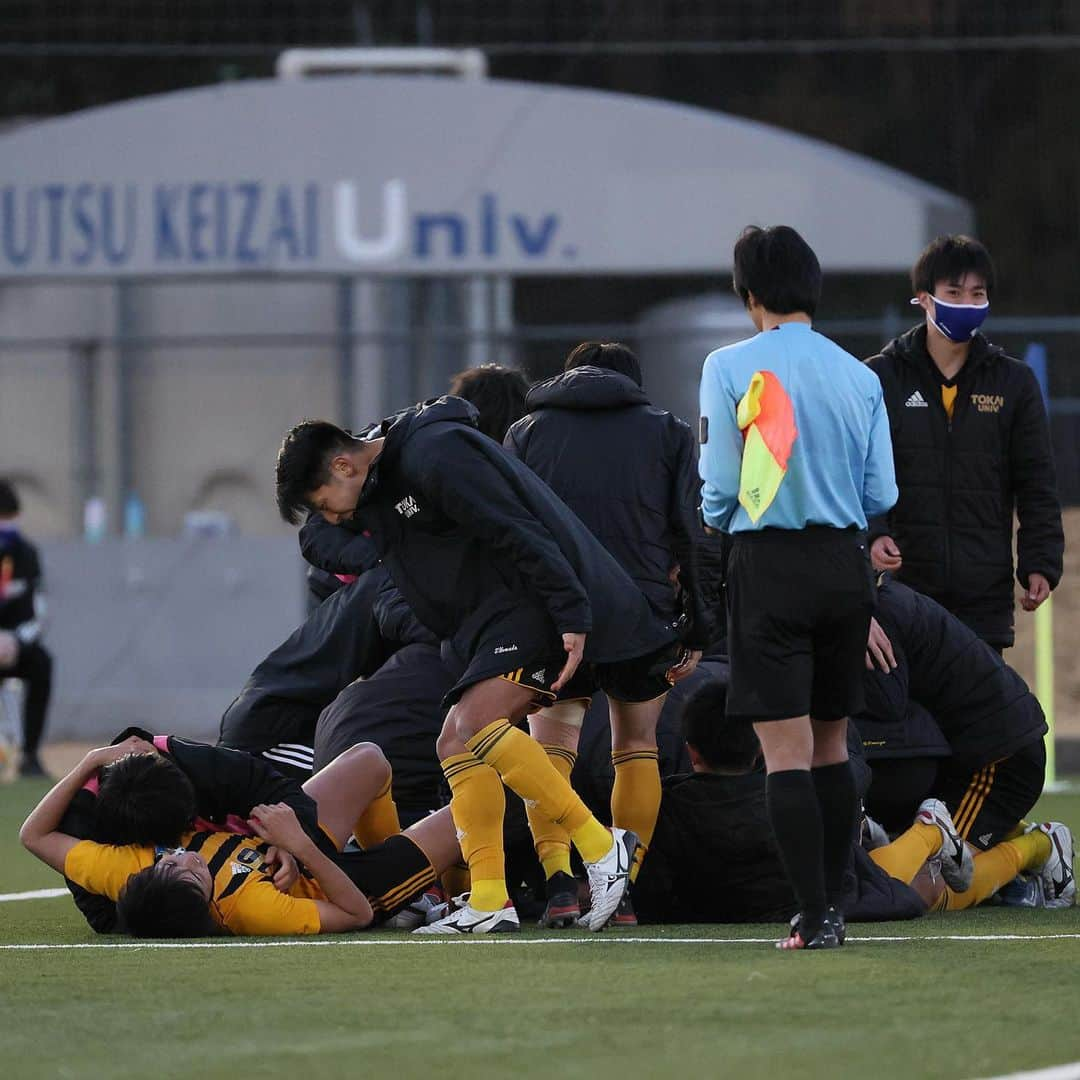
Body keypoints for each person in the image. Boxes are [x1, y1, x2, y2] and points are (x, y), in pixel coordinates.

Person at [275, 397, 685, 933]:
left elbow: (520, 528)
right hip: (487, 624)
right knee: (454, 742)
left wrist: (570, 613)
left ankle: (602, 848)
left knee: (476, 725)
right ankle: (491, 897)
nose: (333, 517)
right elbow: (319, 538)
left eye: (326, 502)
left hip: (527, 611)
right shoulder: (383, 479)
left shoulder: (435, 454)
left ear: (343, 466)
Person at [698, 224, 897, 949]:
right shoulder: (861, 375)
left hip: (768, 565)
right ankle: (840, 903)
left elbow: (719, 487)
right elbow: (882, 488)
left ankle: (813, 917)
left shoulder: (728, 365)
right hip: (845, 567)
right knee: (832, 744)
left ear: (749, 295)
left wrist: (720, 521)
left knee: (782, 756)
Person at [503, 341, 707, 925]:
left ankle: (561, 885)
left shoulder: (527, 431)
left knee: (551, 750)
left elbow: (511, 529)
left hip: (554, 616)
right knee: (636, 746)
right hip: (641, 614)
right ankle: (623, 893)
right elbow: (692, 531)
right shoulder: (666, 431)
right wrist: (698, 623)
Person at [21, 736, 461, 936]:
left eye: (167, 861)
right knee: (464, 818)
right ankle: (429, 898)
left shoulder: (128, 871)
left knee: (368, 759)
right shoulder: (254, 909)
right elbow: (356, 914)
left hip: (286, 840)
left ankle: (422, 891)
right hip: (339, 884)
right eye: (191, 875)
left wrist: (90, 761)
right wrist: (299, 845)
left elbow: (34, 837)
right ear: (207, 906)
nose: (182, 856)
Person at [865, 235, 1064, 651]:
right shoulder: (880, 378)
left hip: (984, 601)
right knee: (910, 715)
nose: (967, 304)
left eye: (978, 294)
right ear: (924, 299)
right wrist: (874, 533)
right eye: (954, 293)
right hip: (905, 595)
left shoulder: (1014, 382)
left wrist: (1040, 563)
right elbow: (857, 471)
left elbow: (1036, 482)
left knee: (980, 714)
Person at [856, 576, 1049, 855]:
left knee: (922, 882)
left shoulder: (879, 613)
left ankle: (1039, 849)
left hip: (999, 759)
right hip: (974, 750)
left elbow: (886, 708)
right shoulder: (884, 602)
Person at [0, 479, 53, 778]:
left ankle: (29, 755)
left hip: (13, 648)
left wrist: (16, 641)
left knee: (42, 663)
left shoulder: (26, 555)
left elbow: (40, 614)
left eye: (9, 519)